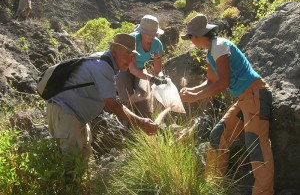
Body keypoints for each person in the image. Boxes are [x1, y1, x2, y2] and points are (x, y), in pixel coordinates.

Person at [179, 14, 274, 195]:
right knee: (219, 134)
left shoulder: (220, 46)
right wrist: (191, 92)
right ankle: (213, 186)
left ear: (196, 36)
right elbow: (210, 82)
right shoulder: (211, 53)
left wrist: (195, 98)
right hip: (244, 99)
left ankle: (264, 192)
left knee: (255, 143)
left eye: (190, 37)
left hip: (255, 94)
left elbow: (222, 83)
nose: (190, 41)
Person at [46, 33, 158, 160]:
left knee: (83, 158)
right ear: (115, 50)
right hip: (66, 113)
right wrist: (141, 122)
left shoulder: (107, 64)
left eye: (132, 55)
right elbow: (112, 105)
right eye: (127, 53)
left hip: (76, 116)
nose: (130, 60)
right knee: (70, 163)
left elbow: (112, 101)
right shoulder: (103, 66)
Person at [116, 15, 167, 119]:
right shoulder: (132, 40)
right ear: (141, 32)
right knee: (126, 97)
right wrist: (152, 78)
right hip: (124, 69)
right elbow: (132, 69)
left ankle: (145, 123)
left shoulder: (157, 44)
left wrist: (161, 78)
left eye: (153, 34)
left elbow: (158, 69)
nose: (151, 37)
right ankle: (126, 125)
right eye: (148, 34)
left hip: (140, 69)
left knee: (144, 94)